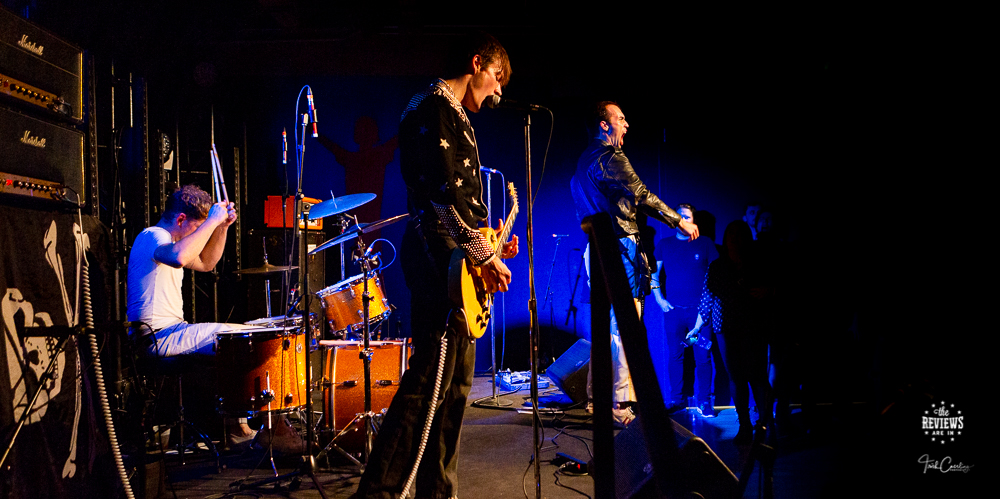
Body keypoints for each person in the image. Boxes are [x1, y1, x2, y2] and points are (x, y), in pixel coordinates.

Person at [354, 32, 517, 499]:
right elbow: (442, 199)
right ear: (477, 63)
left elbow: (461, 200)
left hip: (456, 252)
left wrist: (491, 244)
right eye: (498, 78)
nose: (500, 92)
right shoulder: (433, 107)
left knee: (455, 388)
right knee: (427, 382)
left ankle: (439, 491)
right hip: (437, 251)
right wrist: (481, 253)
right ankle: (378, 493)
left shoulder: (454, 114)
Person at [570, 101, 699, 425]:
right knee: (622, 322)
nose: (626, 125)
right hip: (619, 245)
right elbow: (640, 194)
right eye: (621, 119)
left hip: (596, 246)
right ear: (604, 124)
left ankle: (598, 399)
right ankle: (618, 402)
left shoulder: (582, 162)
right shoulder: (610, 157)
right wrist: (677, 221)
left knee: (605, 325)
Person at [126, 185, 260, 446]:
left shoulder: (170, 242)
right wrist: (212, 220)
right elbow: (180, 257)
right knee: (239, 338)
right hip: (155, 338)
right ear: (180, 219)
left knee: (242, 336)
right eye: (196, 227)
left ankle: (238, 425)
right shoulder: (153, 236)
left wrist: (221, 228)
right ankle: (238, 430)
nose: (200, 234)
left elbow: (206, 263)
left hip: (171, 332)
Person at [698, 220, 774, 443]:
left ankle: (765, 423)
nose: (735, 241)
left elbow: (772, 289)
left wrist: (769, 291)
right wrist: (697, 327)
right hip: (726, 327)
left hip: (753, 326)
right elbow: (707, 297)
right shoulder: (718, 266)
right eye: (732, 236)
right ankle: (745, 425)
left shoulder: (758, 263)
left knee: (757, 376)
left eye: (739, 237)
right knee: (737, 377)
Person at [652, 203, 719, 415]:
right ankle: (676, 400)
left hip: (700, 315)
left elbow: (717, 276)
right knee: (675, 356)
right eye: (678, 216)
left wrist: (704, 312)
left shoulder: (705, 244)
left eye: (687, 217)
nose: (682, 220)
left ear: (694, 221)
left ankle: (705, 401)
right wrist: (660, 300)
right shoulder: (664, 244)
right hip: (674, 314)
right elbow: (654, 275)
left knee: (703, 357)